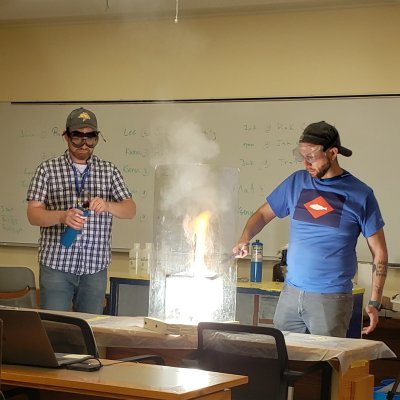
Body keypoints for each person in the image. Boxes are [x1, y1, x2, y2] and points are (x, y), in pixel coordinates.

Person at [233, 121, 388, 337]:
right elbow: (261, 214)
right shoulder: (297, 182)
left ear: (333, 153)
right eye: (302, 156)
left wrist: (375, 301)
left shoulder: (360, 194)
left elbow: (379, 252)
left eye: (312, 157)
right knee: (281, 360)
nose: (306, 163)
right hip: (290, 294)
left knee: (327, 365)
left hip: (331, 299)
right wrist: (245, 238)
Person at [27, 107, 136, 314]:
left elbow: (130, 209)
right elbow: (33, 214)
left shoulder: (109, 171)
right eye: (77, 137)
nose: (84, 144)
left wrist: (108, 205)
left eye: (90, 138)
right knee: (54, 328)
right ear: (66, 136)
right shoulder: (47, 169)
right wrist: (61, 216)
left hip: (94, 267)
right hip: (56, 265)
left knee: (90, 331)